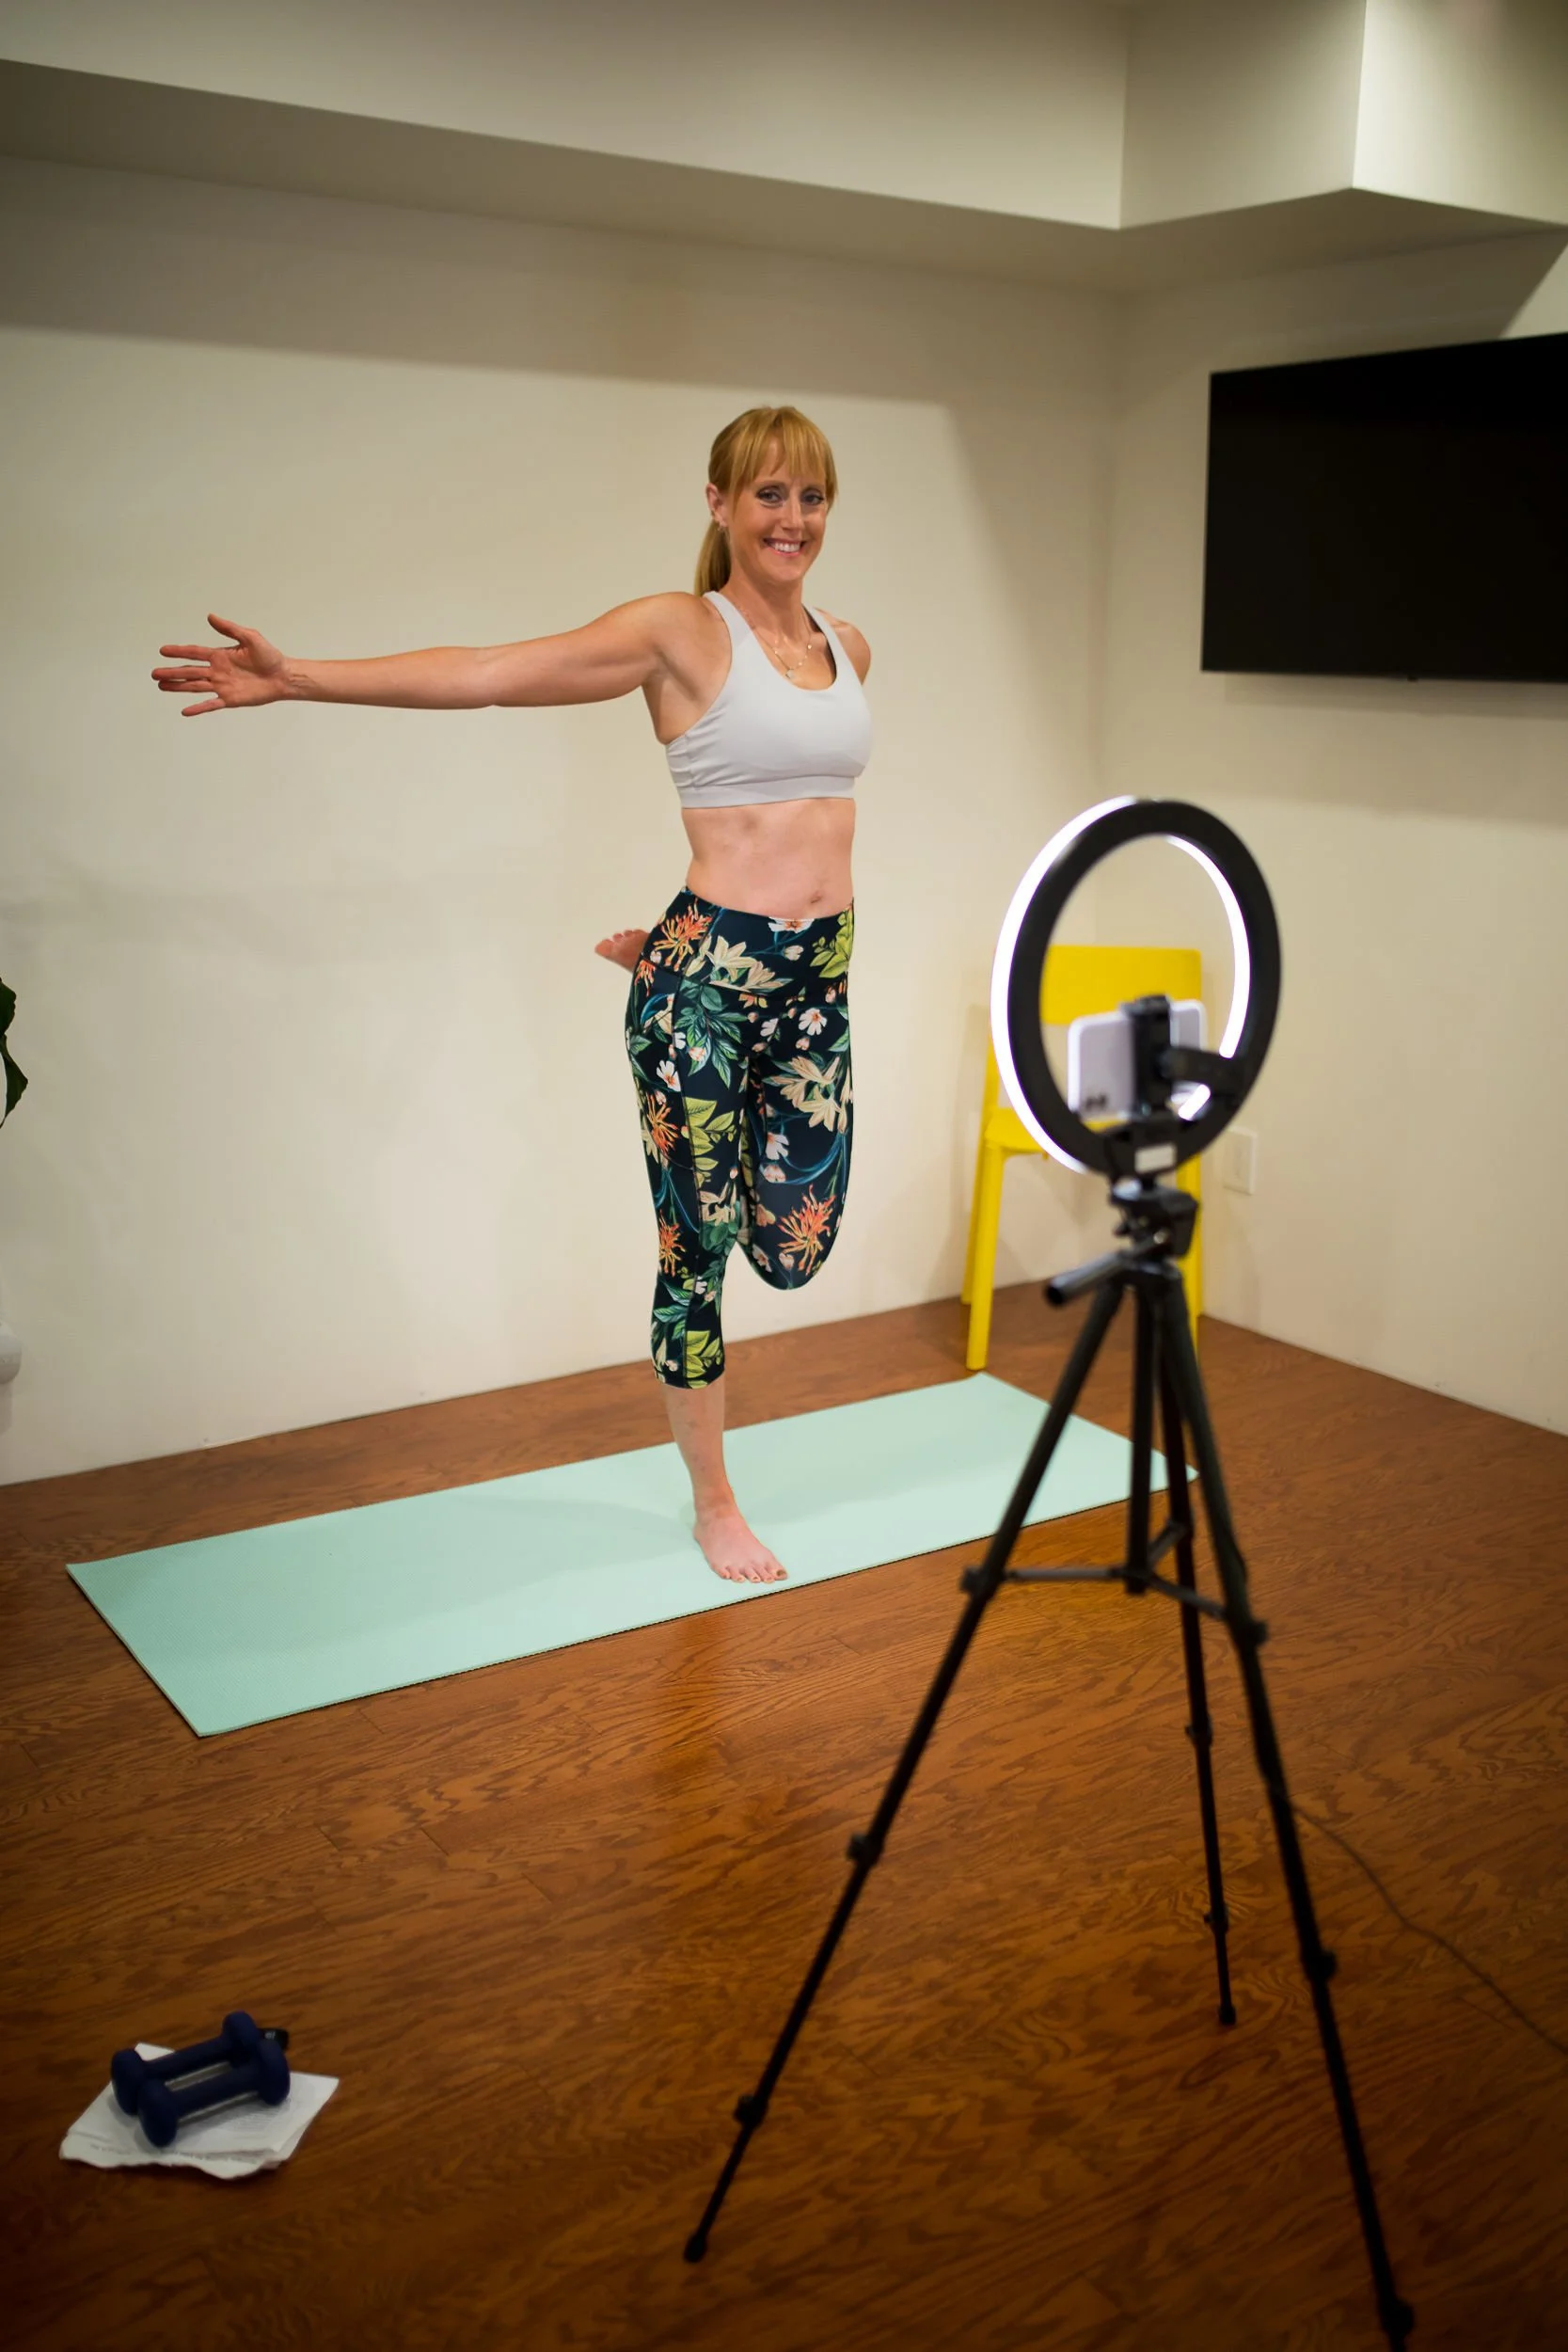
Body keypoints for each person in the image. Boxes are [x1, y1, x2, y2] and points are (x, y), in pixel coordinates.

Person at [152, 405, 871, 1588]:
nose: (790, 519)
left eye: (810, 497)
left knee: (793, 1247)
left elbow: (805, 823)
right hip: (700, 1001)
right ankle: (715, 1502)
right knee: (696, 1252)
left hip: (812, 986)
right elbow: (490, 673)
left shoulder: (847, 644)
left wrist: (702, 939)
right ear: (719, 505)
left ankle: (674, 953)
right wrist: (301, 679)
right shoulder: (679, 633)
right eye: (767, 495)